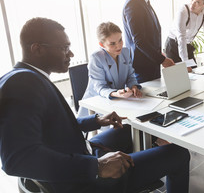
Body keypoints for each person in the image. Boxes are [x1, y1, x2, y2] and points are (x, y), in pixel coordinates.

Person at [0, 17, 190, 193]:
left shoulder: (27, 78)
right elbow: (16, 160)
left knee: (132, 129)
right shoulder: (22, 84)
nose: (71, 53)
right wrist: (97, 166)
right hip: (84, 180)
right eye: (65, 48)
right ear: (37, 49)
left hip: (81, 151)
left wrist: (97, 121)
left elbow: (55, 127)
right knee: (179, 153)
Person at [78, 22, 142, 117]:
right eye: (112, 43)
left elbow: (130, 76)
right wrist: (115, 93)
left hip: (118, 101)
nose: (118, 46)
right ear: (102, 44)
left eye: (120, 40)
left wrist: (133, 87)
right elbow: (100, 87)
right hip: (97, 103)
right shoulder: (96, 58)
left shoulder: (125, 52)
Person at [123, 0, 174, 83]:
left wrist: (160, 55)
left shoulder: (143, 2)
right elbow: (140, 40)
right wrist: (162, 60)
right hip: (142, 68)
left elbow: (149, 35)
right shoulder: (133, 4)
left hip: (151, 64)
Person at [164, 0, 204, 71]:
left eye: (197, 2)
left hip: (187, 45)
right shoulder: (183, 11)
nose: (192, 5)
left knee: (195, 73)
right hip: (173, 45)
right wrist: (185, 63)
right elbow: (181, 38)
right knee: (176, 76)